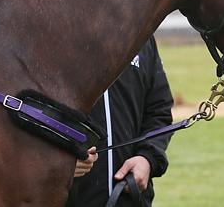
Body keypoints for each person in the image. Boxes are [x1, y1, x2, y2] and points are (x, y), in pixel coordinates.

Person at [66, 36, 174, 207]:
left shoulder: (142, 36)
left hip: (130, 198)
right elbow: (20, 114)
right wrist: (58, 163)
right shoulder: (53, 30)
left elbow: (159, 111)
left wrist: (146, 158)